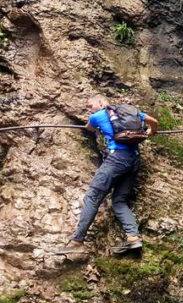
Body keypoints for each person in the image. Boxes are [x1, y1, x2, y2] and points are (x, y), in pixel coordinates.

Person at [58, 95, 159, 254]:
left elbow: (89, 128)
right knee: (119, 201)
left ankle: (77, 241)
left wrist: (94, 124)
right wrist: (151, 131)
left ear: (100, 102)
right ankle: (133, 238)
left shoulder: (97, 116)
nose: (89, 109)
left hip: (116, 160)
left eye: (90, 105)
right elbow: (154, 121)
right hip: (133, 160)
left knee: (92, 196)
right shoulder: (128, 111)